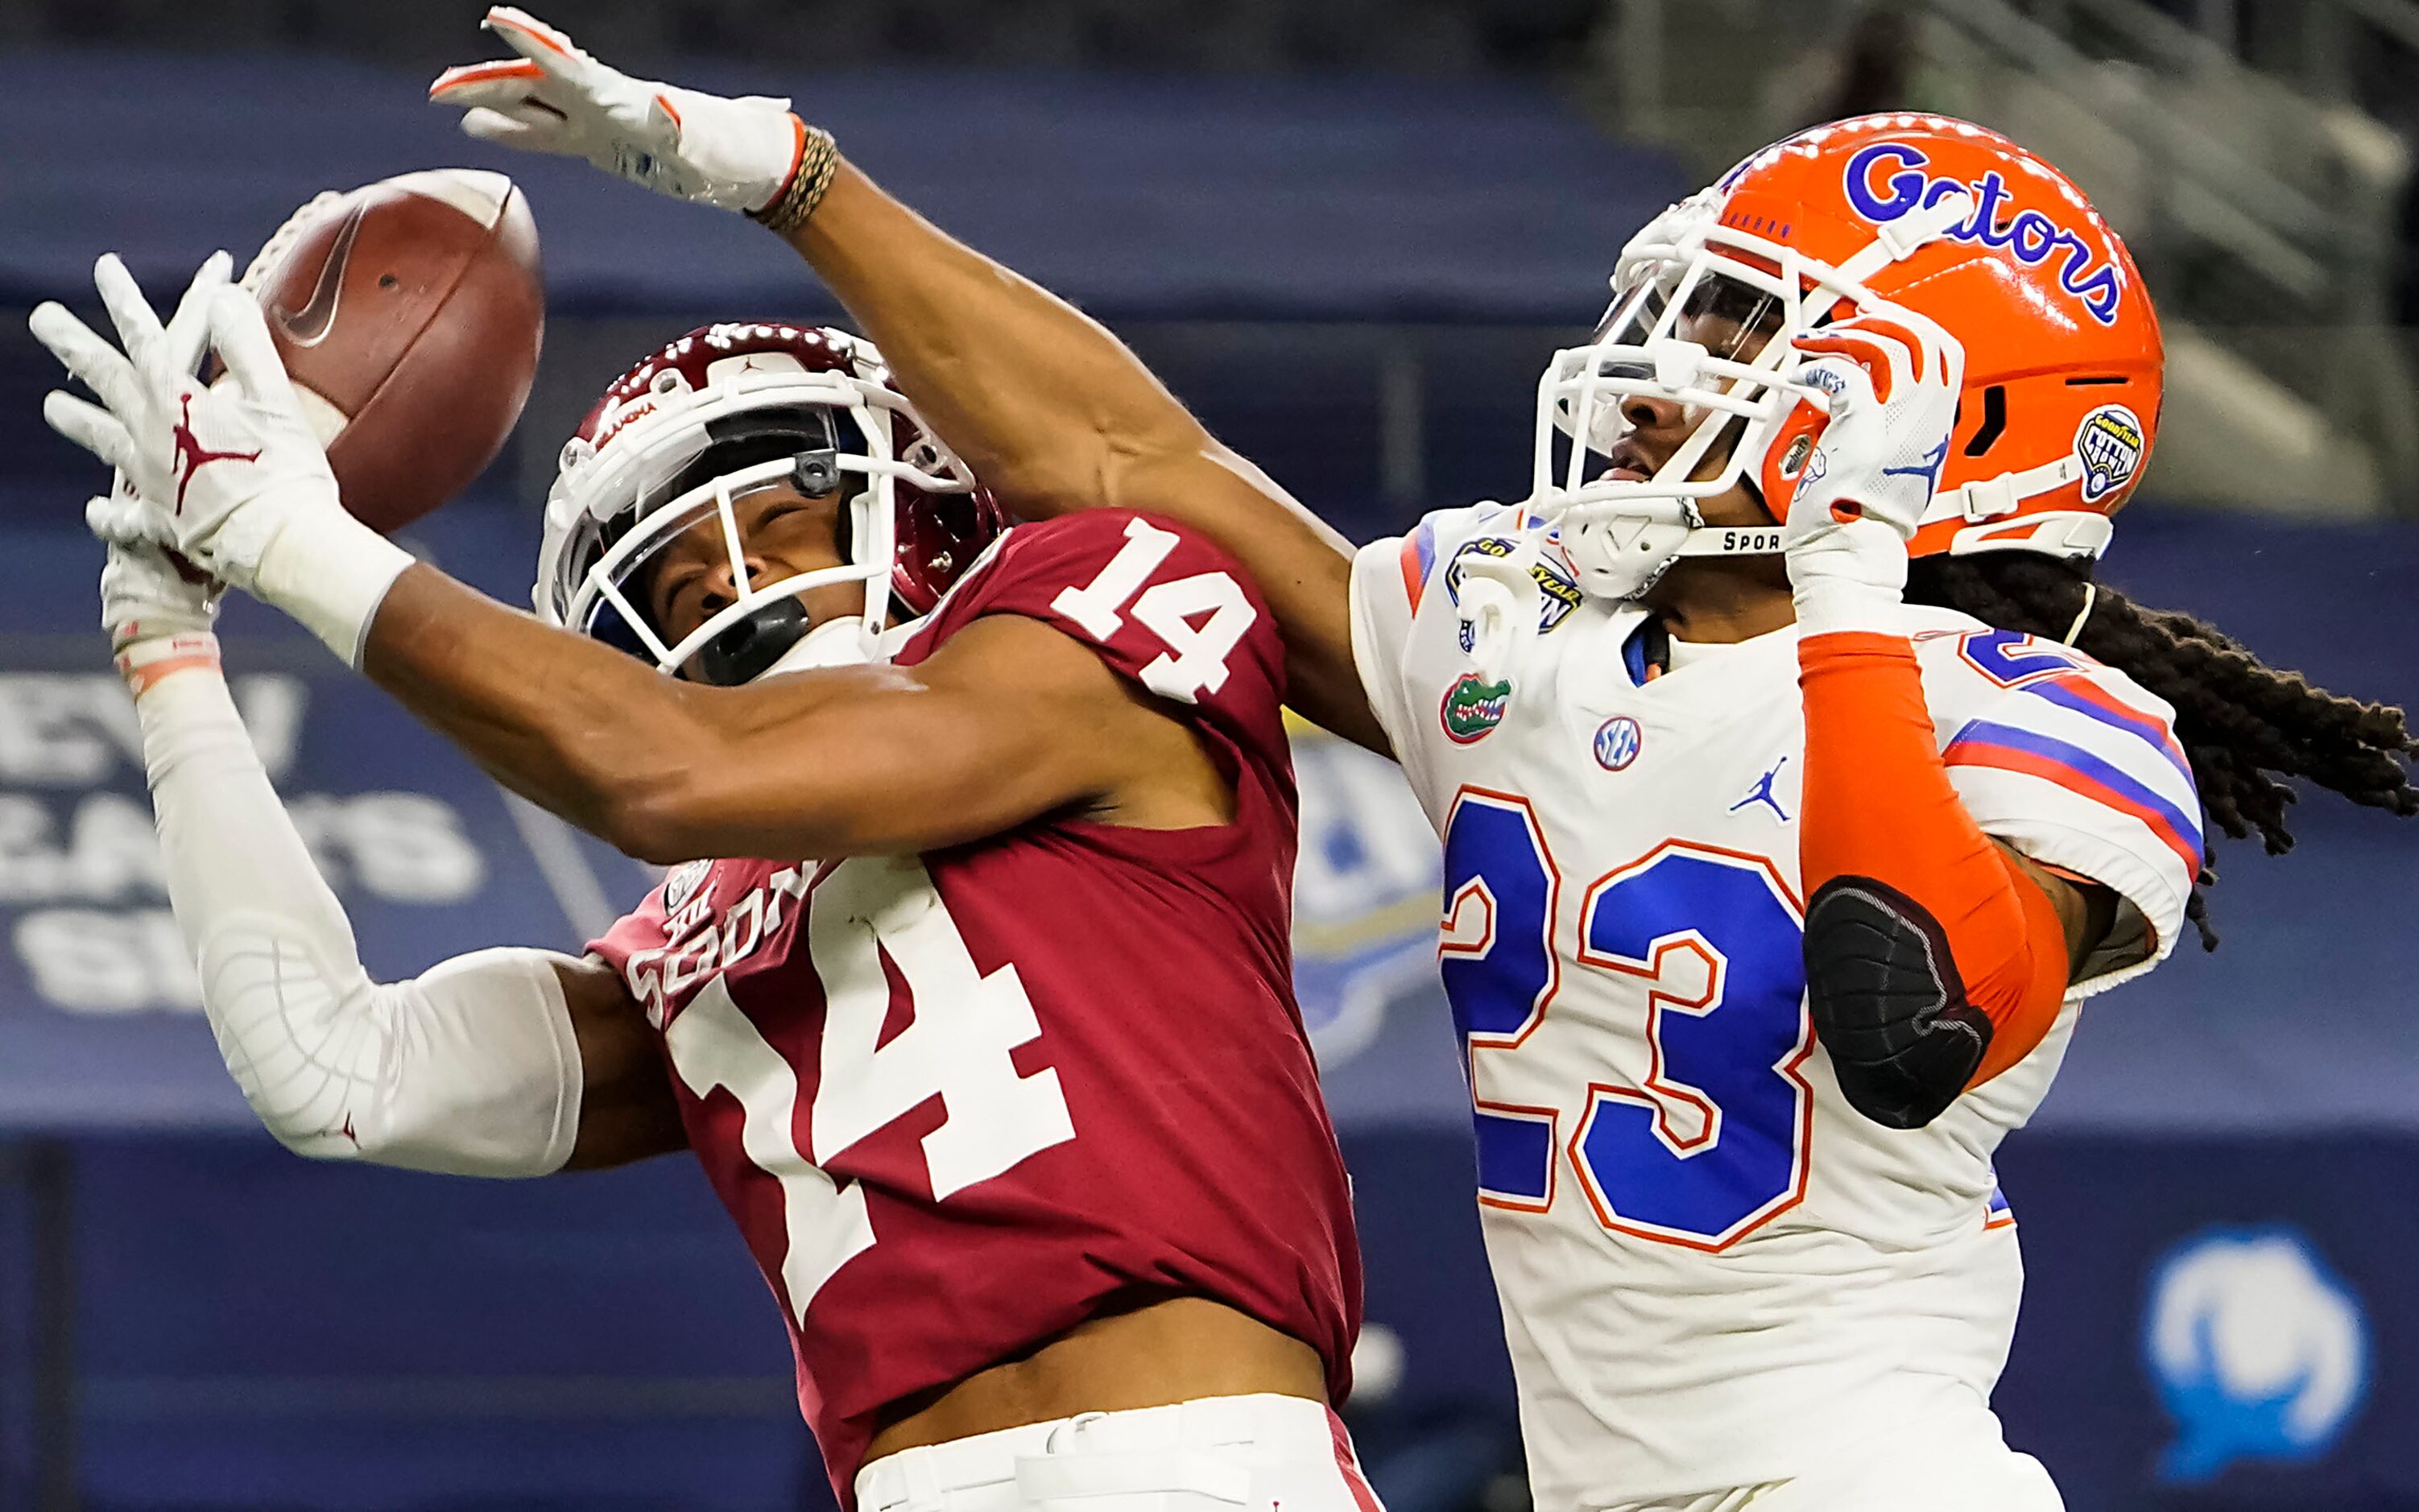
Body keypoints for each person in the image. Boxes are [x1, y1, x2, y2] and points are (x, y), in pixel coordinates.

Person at [413, 19, 2419, 1510]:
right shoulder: (1525, 635)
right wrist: (787, 177)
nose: (1656, 379)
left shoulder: (2047, 721)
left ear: (1926, 418)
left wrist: (1841, 596)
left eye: (1742, 335)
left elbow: (1905, 1009)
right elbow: (1139, 472)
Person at [29, 271, 1383, 1510]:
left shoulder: (1076, 635)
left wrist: (285, 532)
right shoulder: (694, 935)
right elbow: (332, 1064)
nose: (736, 596)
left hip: (1195, 1456)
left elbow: (660, 769)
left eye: (783, 532)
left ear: (917, 509)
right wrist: (170, 648)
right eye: (678, 582)